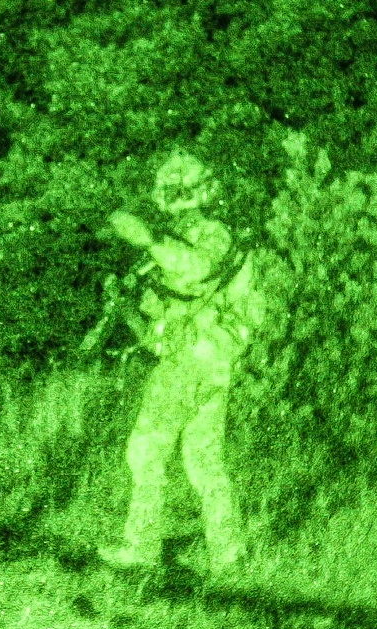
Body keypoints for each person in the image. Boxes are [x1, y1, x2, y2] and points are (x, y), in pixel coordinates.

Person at [98, 150, 265, 575]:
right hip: (205, 361)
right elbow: (162, 315)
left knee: (146, 451)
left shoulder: (212, 234)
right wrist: (129, 309)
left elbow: (197, 270)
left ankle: (141, 547)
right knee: (203, 459)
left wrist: (149, 241)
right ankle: (229, 553)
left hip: (191, 362)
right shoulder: (186, 236)